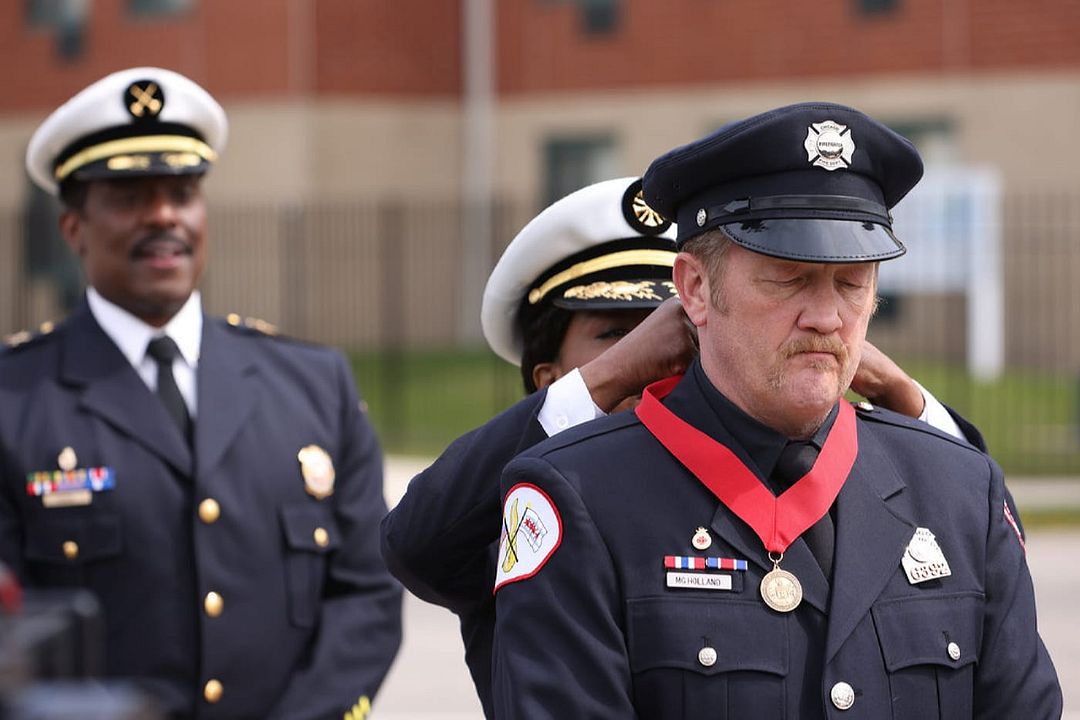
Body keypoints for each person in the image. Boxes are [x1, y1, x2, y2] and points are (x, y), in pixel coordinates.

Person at [491, 104, 1061, 718]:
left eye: (851, 282)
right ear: (695, 290)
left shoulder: (959, 490)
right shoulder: (581, 497)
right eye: (788, 277)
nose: (827, 317)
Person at [382, 177, 983, 717]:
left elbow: (969, 523)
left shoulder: (761, 467)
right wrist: (614, 374)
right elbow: (420, 542)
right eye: (617, 334)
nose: (663, 353)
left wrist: (893, 388)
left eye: (677, 328)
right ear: (549, 378)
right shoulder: (545, 503)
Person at [1, 67, 401, 719]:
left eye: (182, 192)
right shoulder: (15, 399)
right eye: (131, 195)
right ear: (73, 227)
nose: (163, 215)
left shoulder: (313, 385)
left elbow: (366, 596)